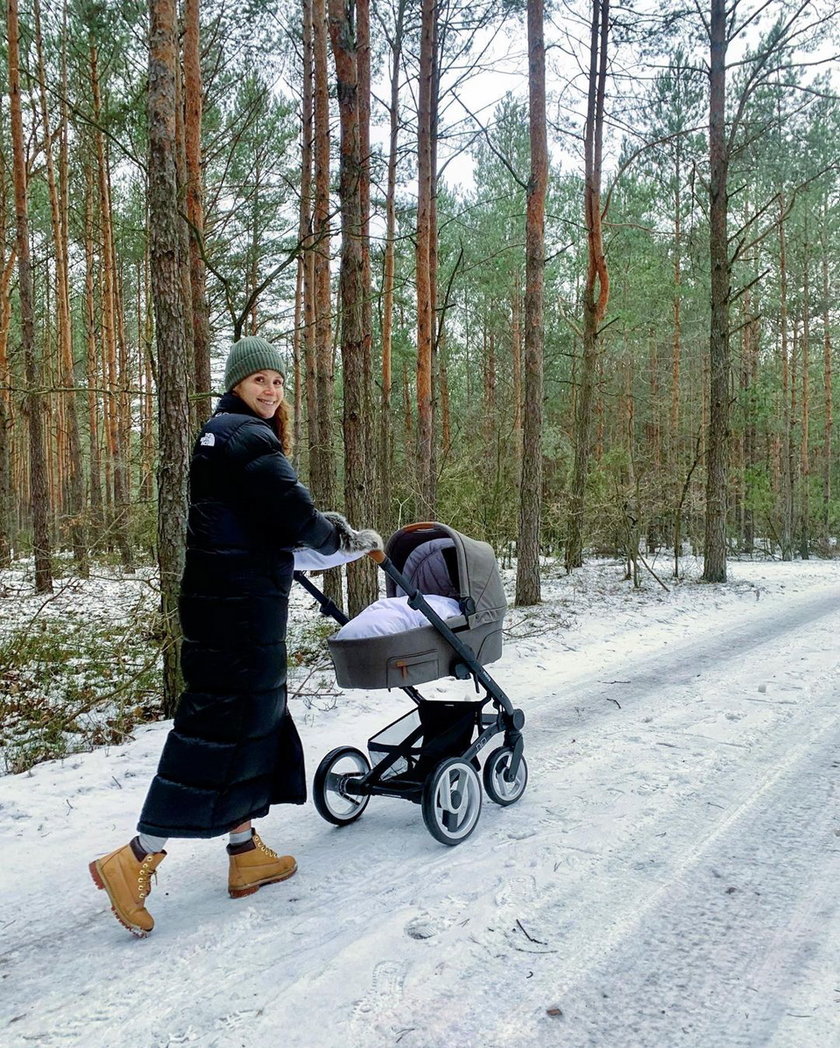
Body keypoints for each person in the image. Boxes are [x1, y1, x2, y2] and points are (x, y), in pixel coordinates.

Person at [89, 335, 382, 937]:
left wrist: (306, 543)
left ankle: (245, 852)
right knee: (218, 731)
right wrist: (347, 539)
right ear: (237, 385)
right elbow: (297, 516)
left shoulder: (216, 434)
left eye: (277, 381)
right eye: (259, 382)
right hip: (240, 613)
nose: (271, 391)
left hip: (224, 605)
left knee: (253, 722)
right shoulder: (248, 438)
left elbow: (260, 524)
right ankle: (136, 856)